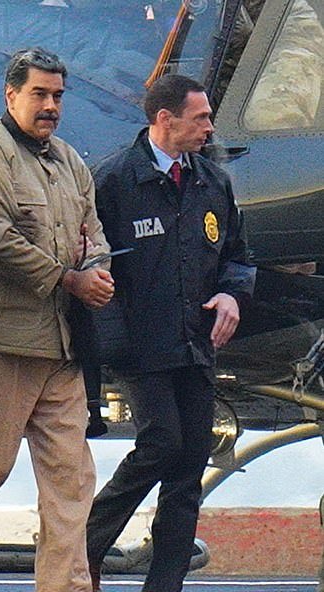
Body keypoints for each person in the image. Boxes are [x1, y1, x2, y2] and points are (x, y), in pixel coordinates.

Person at [0, 46, 113, 592]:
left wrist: (96, 271)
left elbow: (94, 232)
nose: (50, 107)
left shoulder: (68, 159)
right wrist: (68, 278)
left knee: (72, 480)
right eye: (39, 94)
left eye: (58, 96)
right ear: (11, 94)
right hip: (7, 342)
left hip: (65, 347)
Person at [86, 74, 256, 592]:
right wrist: (110, 343)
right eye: (200, 117)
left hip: (196, 344)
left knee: (189, 465)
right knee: (160, 444)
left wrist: (232, 294)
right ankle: (82, 550)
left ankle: (166, 583)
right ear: (165, 119)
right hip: (140, 345)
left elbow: (237, 255)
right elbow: (91, 264)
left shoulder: (212, 181)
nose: (209, 127)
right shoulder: (114, 181)